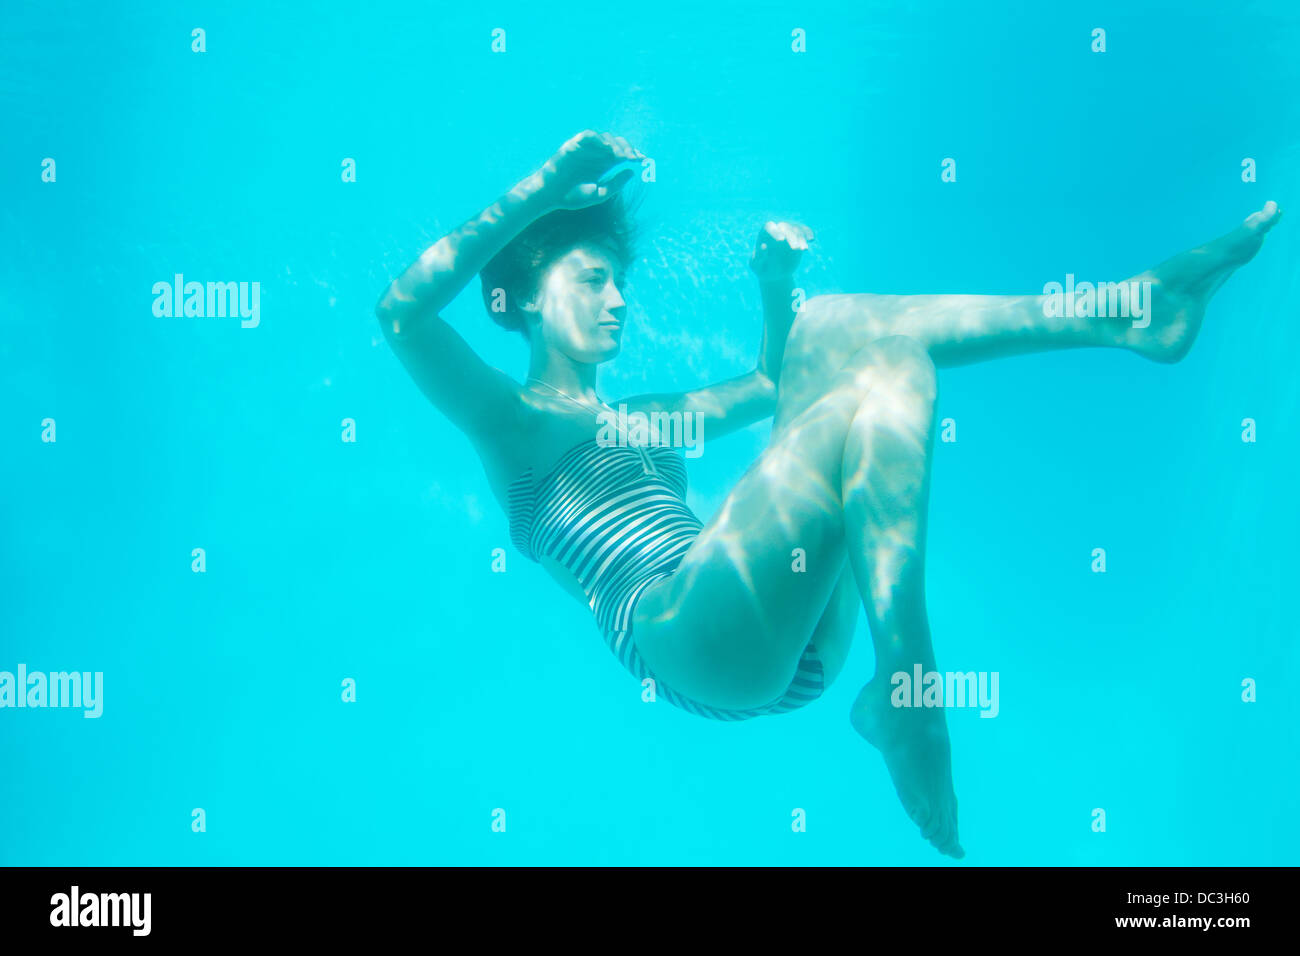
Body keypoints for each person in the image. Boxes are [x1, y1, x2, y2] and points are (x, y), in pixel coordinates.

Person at [375, 129, 1281, 857]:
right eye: (592, 278)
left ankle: (1122, 307)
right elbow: (402, 314)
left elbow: (778, 383)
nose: (618, 300)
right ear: (522, 299)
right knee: (853, 355)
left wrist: (775, 289)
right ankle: (911, 691)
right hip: (685, 635)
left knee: (853, 338)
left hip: (796, 635)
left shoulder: (650, 417)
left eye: (620, 280)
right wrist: (543, 186)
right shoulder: (510, 423)